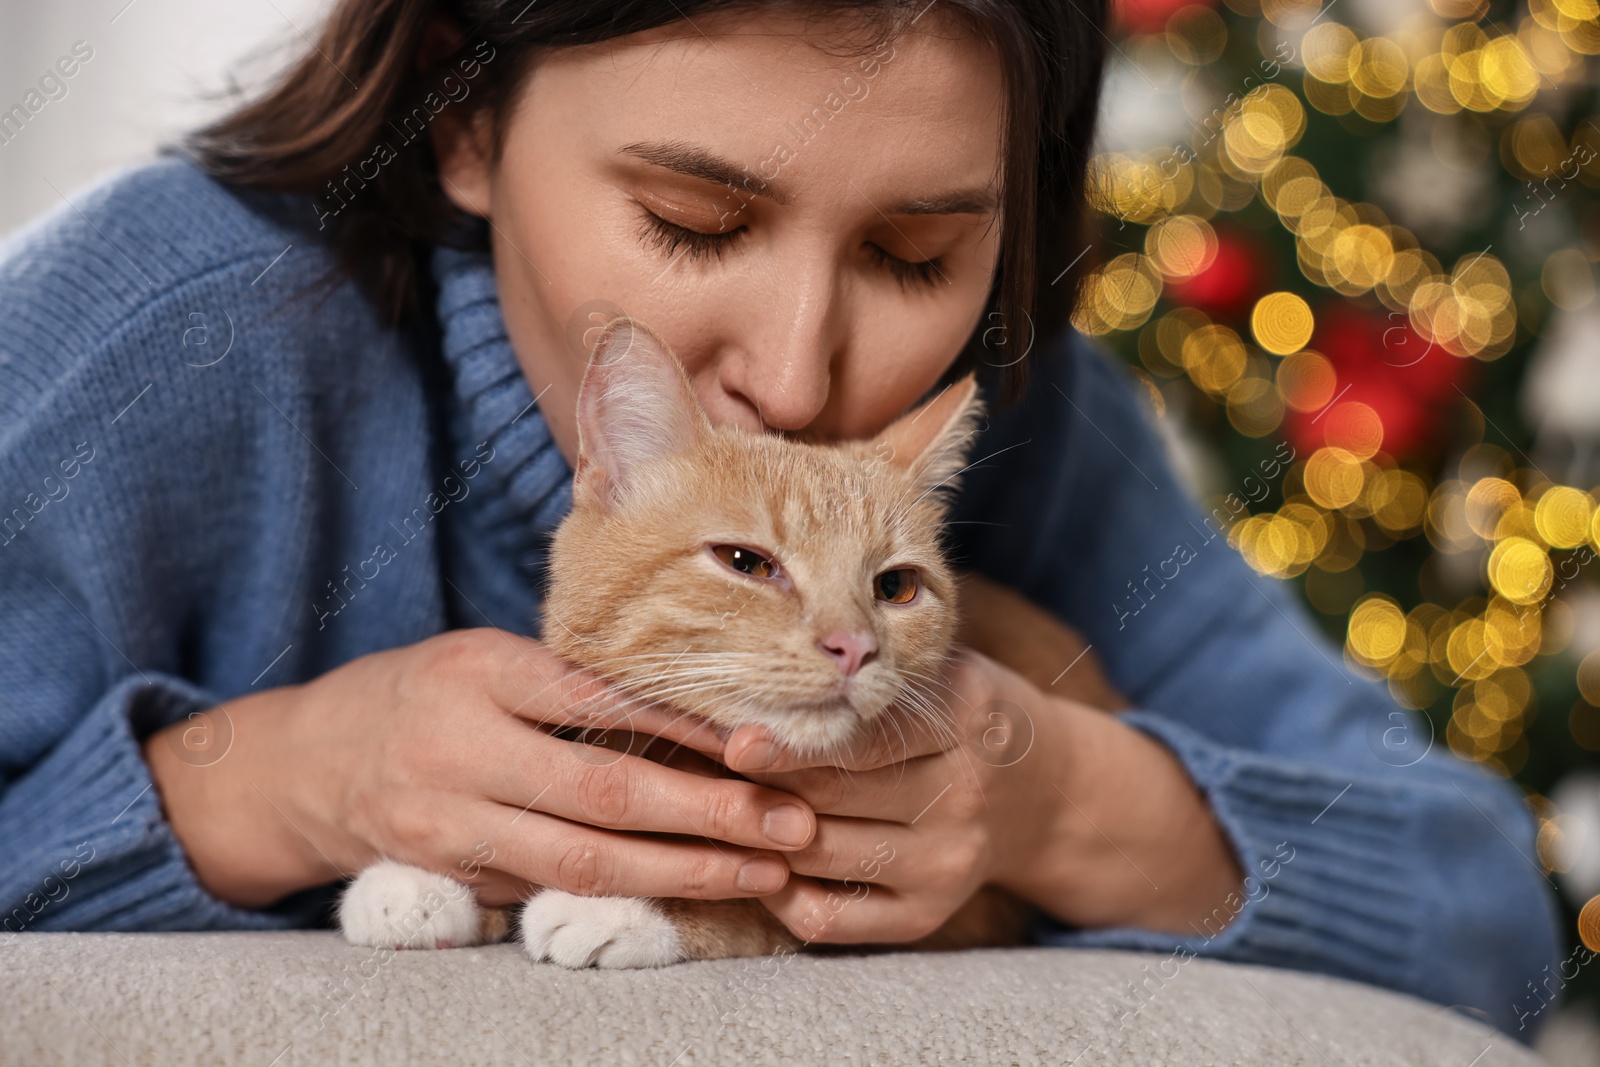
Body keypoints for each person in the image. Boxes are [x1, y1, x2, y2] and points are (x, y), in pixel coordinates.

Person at [0, 0, 1562, 1044]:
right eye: (695, 222)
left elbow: (1491, 916)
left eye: (915, 253)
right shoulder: (164, 333)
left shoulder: (1009, 410)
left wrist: (1065, 809)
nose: (801, 371)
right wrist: (267, 786)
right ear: (459, 122)